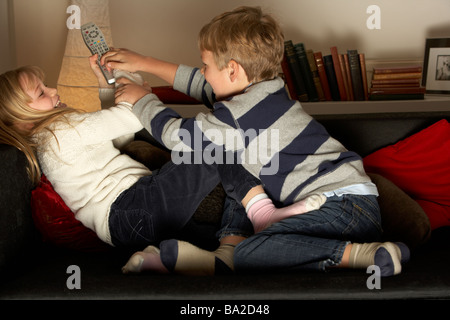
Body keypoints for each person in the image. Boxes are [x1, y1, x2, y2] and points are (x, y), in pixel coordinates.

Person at [104, 6, 410, 276]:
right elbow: (203, 86)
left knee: (251, 252)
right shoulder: (269, 90)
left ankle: (363, 255)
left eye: (206, 65)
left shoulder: (234, 118)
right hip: (353, 204)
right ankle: (227, 251)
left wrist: (142, 100)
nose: (203, 73)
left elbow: (176, 136)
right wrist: (142, 62)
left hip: (342, 210)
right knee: (239, 160)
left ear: (233, 70)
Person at [0, 54, 318, 276]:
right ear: (21, 119)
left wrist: (108, 86)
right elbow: (129, 117)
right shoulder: (59, 131)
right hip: (134, 205)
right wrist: (135, 88)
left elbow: (120, 135)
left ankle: (178, 255)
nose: (53, 91)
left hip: (129, 224)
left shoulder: (53, 138)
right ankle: (260, 214)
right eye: (42, 93)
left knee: (218, 217)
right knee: (218, 145)